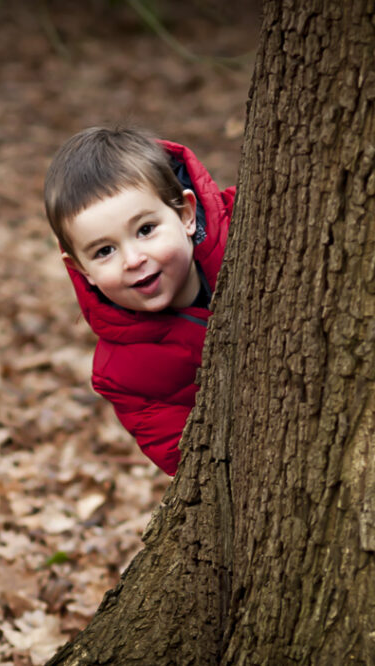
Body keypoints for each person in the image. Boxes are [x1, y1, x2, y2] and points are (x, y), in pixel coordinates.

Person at [43, 126, 235, 475]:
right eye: (104, 251)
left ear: (186, 214)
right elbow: (188, 461)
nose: (133, 259)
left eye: (145, 229)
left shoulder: (247, 229)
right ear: (81, 269)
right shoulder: (122, 373)